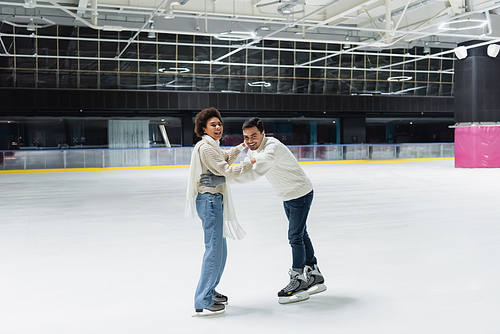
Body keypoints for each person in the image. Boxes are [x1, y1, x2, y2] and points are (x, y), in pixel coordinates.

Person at [201, 117, 326, 304]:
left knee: (295, 236)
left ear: (263, 134)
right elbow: (242, 168)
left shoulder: (271, 148)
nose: (250, 140)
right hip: (288, 194)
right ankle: (314, 273)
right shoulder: (253, 149)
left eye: (254, 136)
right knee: (301, 234)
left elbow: (252, 172)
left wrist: (222, 180)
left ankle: (298, 277)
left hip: (300, 193)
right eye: (246, 137)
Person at [185, 107, 255, 317]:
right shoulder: (206, 148)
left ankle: (210, 290)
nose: (218, 127)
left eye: (219, 124)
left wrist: (242, 146)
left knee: (220, 251)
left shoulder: (211, 146)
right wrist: (248, 164)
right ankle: (202, 299)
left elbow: (224, 156)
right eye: (213, 124)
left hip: (214, 201)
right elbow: (225, 170)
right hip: (210, 201)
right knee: (214, 251)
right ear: (204, 128)